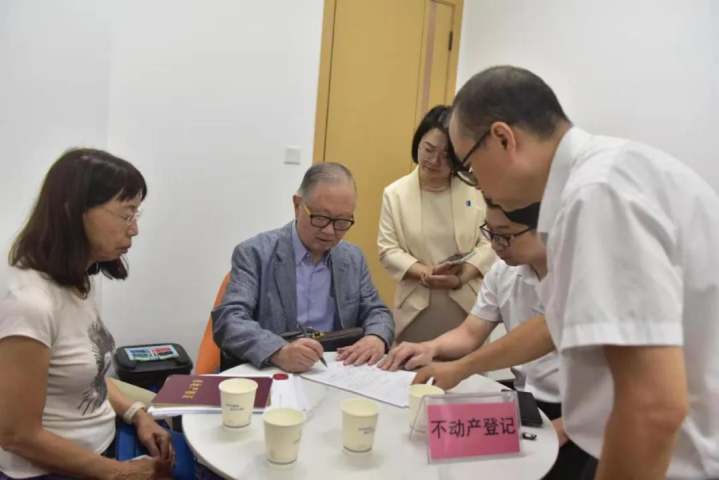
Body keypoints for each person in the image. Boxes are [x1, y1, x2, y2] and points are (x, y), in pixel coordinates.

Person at [416, 65, 719, 479]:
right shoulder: (605, 177)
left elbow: (652, 406)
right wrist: (460, 367)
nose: (476, 184)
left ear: (503, 139)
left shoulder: (595, 195)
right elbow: (551, 326)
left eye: (469, 167)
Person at [381, 199, 588, 479]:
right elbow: (470, 333)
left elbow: (609, 379)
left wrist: (568, 425)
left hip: (577, 414)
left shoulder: (581, 280)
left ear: (545, 228)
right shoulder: (504, 272)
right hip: (524, 403)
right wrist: (429, 348)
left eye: (505, 235)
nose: (494, 245)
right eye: (490, 232)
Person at [0, 149, 173, 480]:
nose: (134, 229)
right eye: (126, 215)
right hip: (51, 470)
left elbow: (84, 373)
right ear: (72, 212)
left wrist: (138, 415)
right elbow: (17, 436)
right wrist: (120, 473)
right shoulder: (29, 303)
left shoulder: (77, 280)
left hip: (103, 445)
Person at [213, 162, 395, 373]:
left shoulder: (352, 258)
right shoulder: (255, 253)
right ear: (297, 205)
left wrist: (376, 337)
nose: (329, 231)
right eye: (320, 218)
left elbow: (377, 311)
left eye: (342, 221)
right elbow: (229, 320)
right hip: (275, 370)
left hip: (334, 371)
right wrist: (277, 351)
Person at [377, 105, 495, 343]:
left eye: (446, 155)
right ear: (418, 144)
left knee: (467, 365)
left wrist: (461, 276)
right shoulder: (395, 193)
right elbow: (388, 249)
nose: (434, 160)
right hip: (416, 308)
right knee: (411, 363)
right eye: (429, 149)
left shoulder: (476, 189)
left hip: (467, 306)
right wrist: (426, 273)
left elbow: (490, 242)